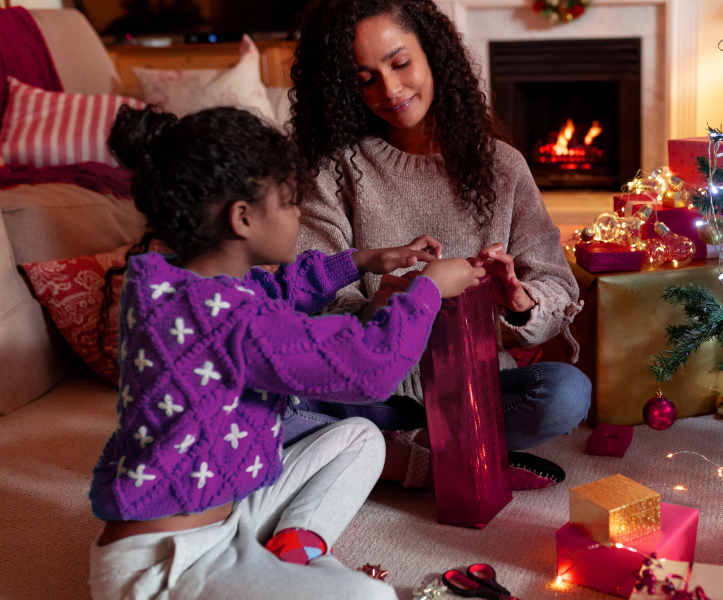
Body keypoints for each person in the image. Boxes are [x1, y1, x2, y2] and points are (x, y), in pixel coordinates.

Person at [88, 105, 484, 600]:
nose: (300, 215)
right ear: (243, 217)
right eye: (292, 202)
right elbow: (370, 367)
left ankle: (298, 545)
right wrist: (426, 290)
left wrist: (362, 260)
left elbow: (275, 290)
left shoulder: (175, 285)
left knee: (361, 437)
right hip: (165, 569)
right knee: (371, 597)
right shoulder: (230, 321)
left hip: (228, 508)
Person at [289, 0, 592, 490]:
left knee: (566, 394)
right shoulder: (337, 170)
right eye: (364, 78)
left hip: (476, 383)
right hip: (368, 385)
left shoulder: (504, 166)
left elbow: (557, 284)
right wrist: (385, 303)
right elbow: (308, 302)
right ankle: (436, 461)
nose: (389, 90)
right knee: (251, 398)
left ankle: (388, 452)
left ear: (433, 53)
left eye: (400, 63)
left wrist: (520, 301)